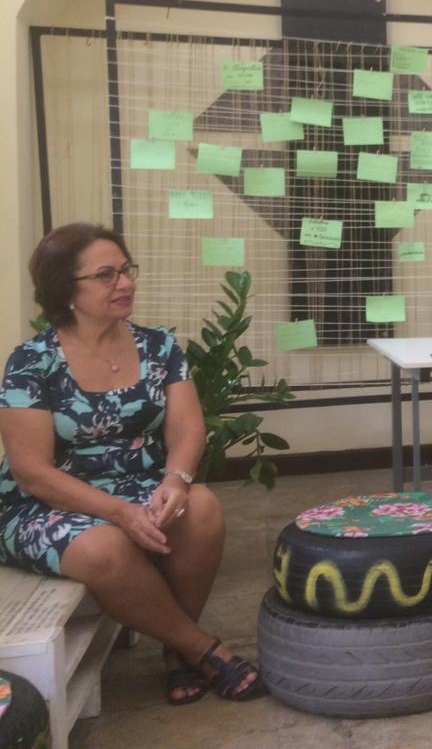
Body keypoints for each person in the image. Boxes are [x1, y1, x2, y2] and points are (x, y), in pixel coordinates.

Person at [0, 223, 264, 705]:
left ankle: (177, 651)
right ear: (65, 290)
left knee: (201, 509)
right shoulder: (31, 362)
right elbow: (31, 471)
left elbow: (187, 430)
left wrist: (177, 480)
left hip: (137, 483)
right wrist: (118, 512)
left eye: (126, 270)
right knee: (105, 548)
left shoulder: (158, 346)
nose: (125, 283)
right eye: (106, 275)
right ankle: (204, 650)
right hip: (47, 502)